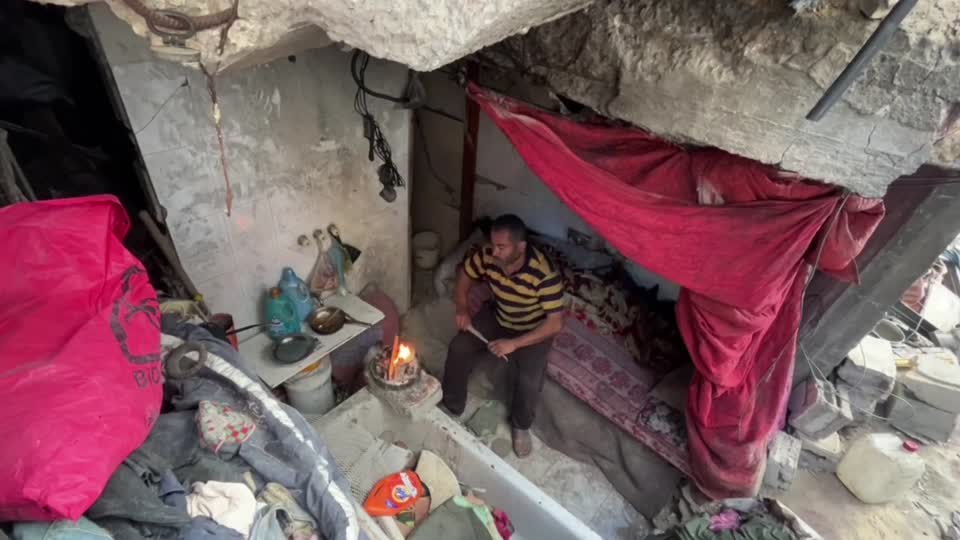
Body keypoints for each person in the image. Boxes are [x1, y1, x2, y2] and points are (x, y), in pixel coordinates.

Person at [441, 214, 564, 457]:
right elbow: (466, 274)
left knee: (529, 380)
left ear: (520, 247)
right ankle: (452, 404)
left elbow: (554, 324)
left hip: (532, 330)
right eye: (493, 245)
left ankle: (520, 427)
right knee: (459, 347)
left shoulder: (544, 274)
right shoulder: (487, 255)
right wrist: (462, 308)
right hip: (499, 315)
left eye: (501, 247)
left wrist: (513, 344)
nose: (494, 252)